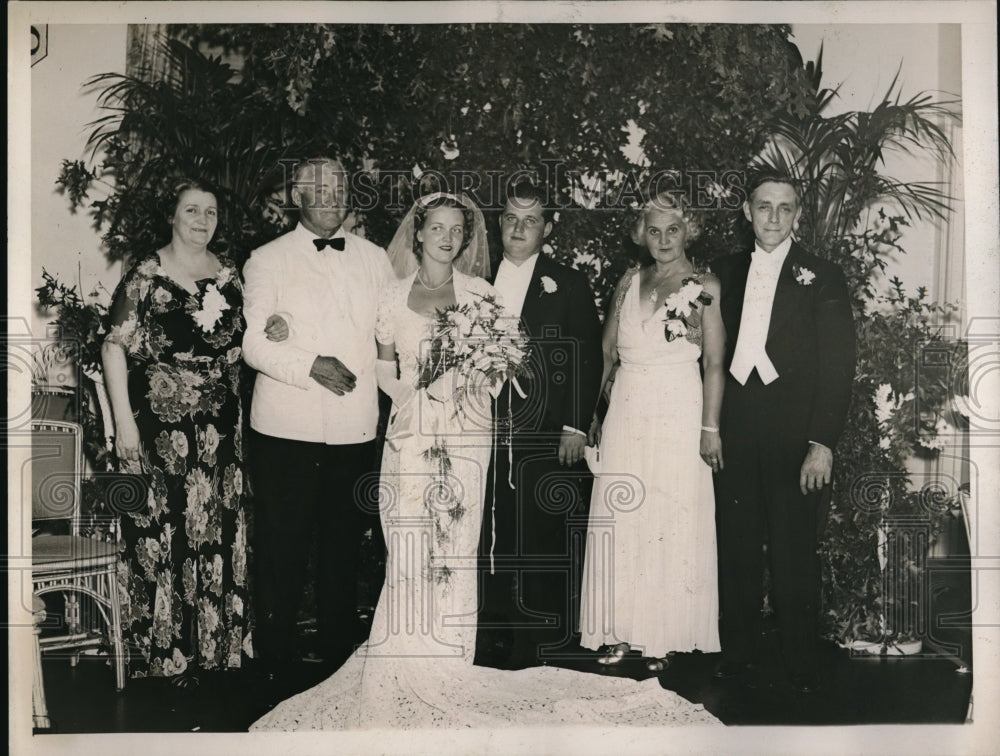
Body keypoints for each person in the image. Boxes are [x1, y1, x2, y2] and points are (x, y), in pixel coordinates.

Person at [250, 192, 719, 730]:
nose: (448, 238)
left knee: (454, 545)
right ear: (418, 234)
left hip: (467, 437)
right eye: (438, 229)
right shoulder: (391, 294)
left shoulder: (480, 292)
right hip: (410, 437)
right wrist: (411, 394)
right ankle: (402, 653)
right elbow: (380, 365)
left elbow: (509, 362)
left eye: (457, 230)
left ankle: (450, 658)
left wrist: (470, 387)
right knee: (409, 544)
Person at [102, 179, 280, 683]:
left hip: (220, 433)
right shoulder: (145, 275)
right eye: (191, 210)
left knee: (216, 531)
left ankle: (214, 651)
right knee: (167, 533)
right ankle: (166, 655)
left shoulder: (229, 276)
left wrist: (275, 328)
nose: (202, 220)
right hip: (160, 431)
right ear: (172, 216)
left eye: (211, 212)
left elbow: (248, 337)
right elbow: (113, 347)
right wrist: (124, 425)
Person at [241, 156, 394, 685]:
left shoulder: (376, 260)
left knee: (342, 551)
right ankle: (274, 670)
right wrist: (310, 364)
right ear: (298, 197)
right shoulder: (266, 259)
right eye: (319, 189)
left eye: (340, 189)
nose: (332, 197)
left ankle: (337, 668)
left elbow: (389, 339)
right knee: (282, 551)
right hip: (286, 430)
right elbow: (255, 343)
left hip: (354, 429)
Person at [711, 174, 855, 694]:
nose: (773, 218)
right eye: (763, 207)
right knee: (738, 546)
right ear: (746, 212)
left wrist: (823, 443)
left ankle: (801, 661)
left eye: (785, 208)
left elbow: (839, 366)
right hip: (738, 428)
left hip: (796, 436)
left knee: (794, 550)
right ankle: (739, 654)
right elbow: (707, 358)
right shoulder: (723, 272)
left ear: (798, 215)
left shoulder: (823, 275)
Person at [579, 192, 723, 671]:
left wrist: (710, 428)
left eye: (673, 230)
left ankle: (664, 638)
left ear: (689, 231)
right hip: (627, 412)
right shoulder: (627, 281)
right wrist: (591, 418)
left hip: (678, 412)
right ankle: (621, 633)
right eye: (654, 230)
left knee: (669, 518)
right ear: (641, 233)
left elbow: (716, 366)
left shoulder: (704, 285)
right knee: (624, 518)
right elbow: (605, 355)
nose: (663, 240)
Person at [477, 179, 604, 669]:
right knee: (491, 532)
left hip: (546, 430)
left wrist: (575, 425)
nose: (518, 228)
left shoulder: (566, 283)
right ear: (499, 222)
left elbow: (587, 357)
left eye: (531, 220)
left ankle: (546, 640)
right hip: (483, 427)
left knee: (542, 534)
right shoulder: (474, 279)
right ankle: (492, 635)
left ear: (547, 228)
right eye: (511, 218)